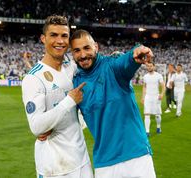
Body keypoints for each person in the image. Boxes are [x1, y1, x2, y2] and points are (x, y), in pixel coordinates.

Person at [70, 29, 156, 178]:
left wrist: (135, 55)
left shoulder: (112, 66)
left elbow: (125, 63)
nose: (83, 55)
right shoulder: (75, 83)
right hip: (104, 163)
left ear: (96, 47)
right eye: (77, 50)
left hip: (136, 156)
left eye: (86, 48)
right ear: (72, 53)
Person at [22, 16, 93, 178]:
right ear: (43, 38)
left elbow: (91, 60)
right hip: (54, 167)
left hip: (81, 159)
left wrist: (117, 56)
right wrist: (69, 101)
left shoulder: (71, 66)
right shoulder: (33, 79)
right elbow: (37, 127)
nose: (59, 41)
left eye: (64, 36)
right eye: (53, 35)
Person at [142, 62, 165, 136]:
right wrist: (143, 97)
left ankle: (158, 127)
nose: (149, 67)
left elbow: (163, 86)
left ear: (154, 67)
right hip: (148, 97)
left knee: (157, 115)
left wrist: (162, 94)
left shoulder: (158, 76)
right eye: (148, 66)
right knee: (147, 114)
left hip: (156, 96)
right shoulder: (145, 76)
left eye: (151, 66)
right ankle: (147, 132)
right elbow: (144, 86)